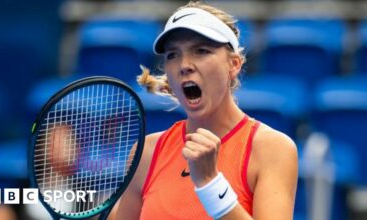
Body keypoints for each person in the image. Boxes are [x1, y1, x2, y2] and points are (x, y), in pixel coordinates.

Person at [110, 1, 298, 219]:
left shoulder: (272, 149)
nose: (184, 65)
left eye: (201, 51)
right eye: (173, 54)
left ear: (234, 64)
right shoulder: (146, 153)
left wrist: (210, 184)